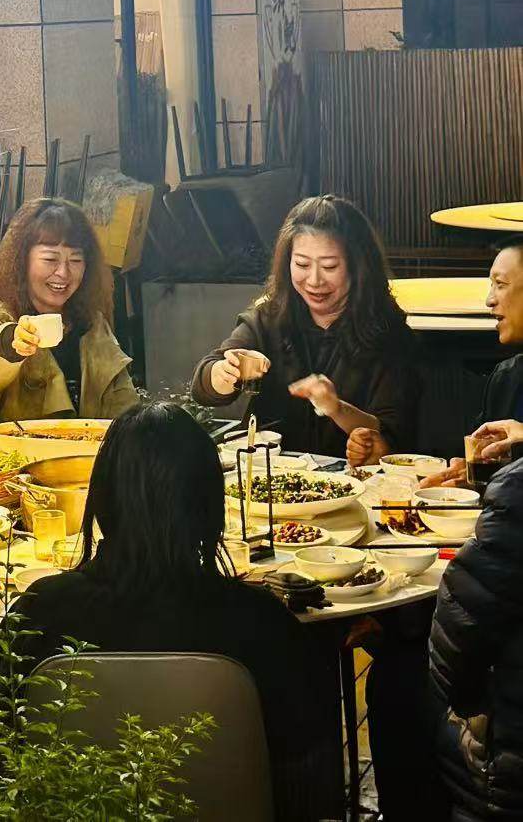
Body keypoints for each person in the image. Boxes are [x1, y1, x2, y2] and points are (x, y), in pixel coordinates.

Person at [7, 402, 342, 821]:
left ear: (103, 499)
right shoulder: (261, 624)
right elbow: (309, 777)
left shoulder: (41, 611)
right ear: (209, 506)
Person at [191, 194, 420, 465]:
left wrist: (336, 408)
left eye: (329, 266)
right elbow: (203, 385)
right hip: (271, 474)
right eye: (301, 264)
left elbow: (392, 434)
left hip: (351, 478)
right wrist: (223, 374)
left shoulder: (388, 333)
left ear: (358, 266)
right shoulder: (269, 318)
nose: (314, 280)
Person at [0, 197, 137, 440]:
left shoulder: (92, 325)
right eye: (50, 260)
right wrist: (12, 341)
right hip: (12, 459)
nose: (63, 273)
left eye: (75, 260)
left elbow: (124, 404)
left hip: (87, 458)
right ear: (21, 261)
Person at [429, 453, 523, 819]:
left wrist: (469, 709)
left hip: (508, 762)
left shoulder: (518, 490)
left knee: (395, 684)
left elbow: (459, 637)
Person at [424, 243, 523, 491]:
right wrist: (470, 479)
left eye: (500, 284)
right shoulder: (505, 377)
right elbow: (495, 474)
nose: (489, 300)